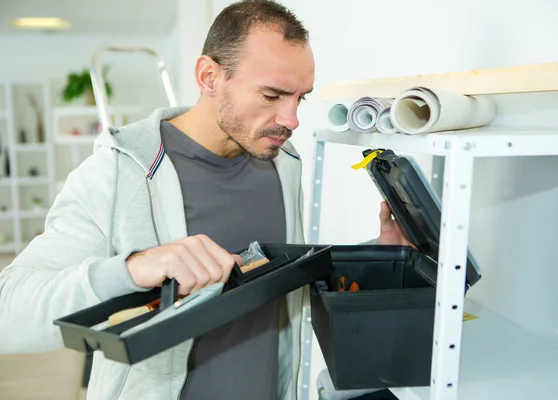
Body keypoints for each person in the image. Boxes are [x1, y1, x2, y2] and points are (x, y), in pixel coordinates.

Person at [0, 1, 411, 399]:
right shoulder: (118, 173)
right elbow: (9, 312)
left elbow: (274, 279)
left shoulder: (281, 161)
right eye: (272, 96)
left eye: (299, 97)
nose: (292, 120)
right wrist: (132, 269)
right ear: (209, 77)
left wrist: (378, 257)